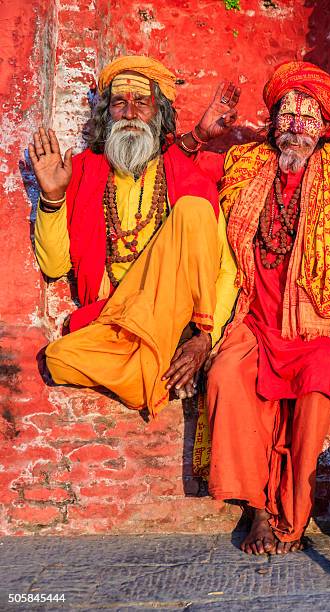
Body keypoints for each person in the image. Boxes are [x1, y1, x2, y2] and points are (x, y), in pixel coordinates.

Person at [203, 61, 330, 555]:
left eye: (309, 115)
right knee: (225, 378)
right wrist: (203, 136)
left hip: (314, 327)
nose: (297, 123)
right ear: (273, 122)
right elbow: (184, 179)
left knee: (319, 381)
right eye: (288, 113)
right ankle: (256, 510)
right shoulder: (245, 163)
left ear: (326, 127)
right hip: (251, 316)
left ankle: (291, 516)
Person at [33, 55, 239, 410]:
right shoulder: (81, 172)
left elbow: (226, 269)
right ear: (105, 115)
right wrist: (52, 198)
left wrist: (207, 337)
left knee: (192, 209)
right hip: (112, 318)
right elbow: (53, 268)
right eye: (119, 102)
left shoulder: (186, 177)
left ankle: (158, 355)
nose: (130, 113)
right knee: (57, 358)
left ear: (157, 114)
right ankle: (156, 368)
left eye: (141, 103)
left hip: (171, 315)